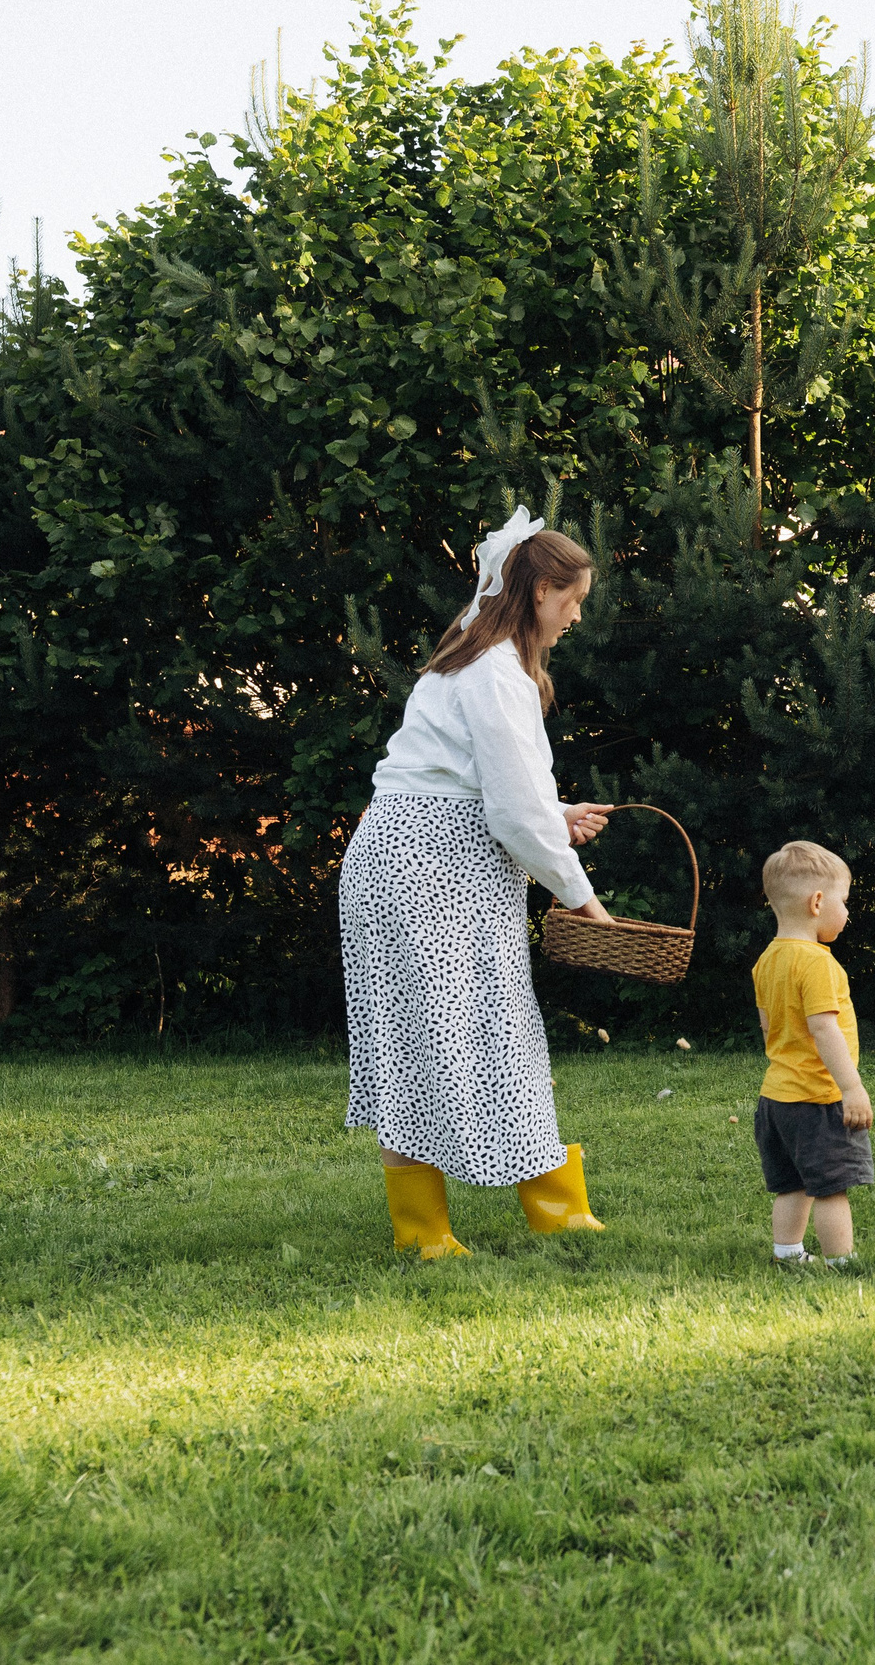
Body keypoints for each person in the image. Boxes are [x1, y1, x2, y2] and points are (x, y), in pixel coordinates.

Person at [338, 508, 617, 1258]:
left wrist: (555, 813)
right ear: (539, 591)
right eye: (573, 599)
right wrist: (582, 898)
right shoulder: (496, 671)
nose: (576, 615)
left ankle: (449, 1227)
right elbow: (512, 811)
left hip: (402, 857)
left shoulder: (474, 660)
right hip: (426, 868)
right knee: (466, 1033)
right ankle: (468, 1226)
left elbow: (479, 784)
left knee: (439, 1037)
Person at [751, 840, 875, 1266]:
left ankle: (787, 1254)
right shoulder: (817, 962)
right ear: (818, 902)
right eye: (844, 901)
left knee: (792, 1183)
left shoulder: (767, 961)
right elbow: (824, 1029)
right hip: (816, 1097)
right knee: (830, 1187)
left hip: (776, 1099)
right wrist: (851, 1087)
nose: (848, 912)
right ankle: (841, 1262)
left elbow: (769, 1026)